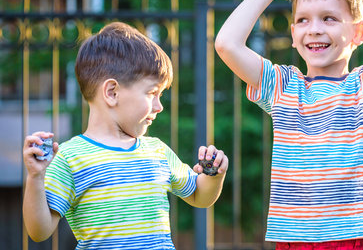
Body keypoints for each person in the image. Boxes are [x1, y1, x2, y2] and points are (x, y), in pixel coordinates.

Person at [215, 0, 363, 249]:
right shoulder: (282, 87)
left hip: (350, 238)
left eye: (329, 18)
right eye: (303, 20)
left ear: (357, 33)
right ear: (293, 35)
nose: (315, 29)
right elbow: (226, 44)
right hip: (292, 239)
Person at [23, 22, 228, 249]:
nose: (159, 106)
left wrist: (213, 174)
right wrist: (35, 178)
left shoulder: (157, 151)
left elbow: (199, 196)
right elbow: (39, 231)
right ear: (112, 92)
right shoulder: (71, 158)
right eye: (152, 93)